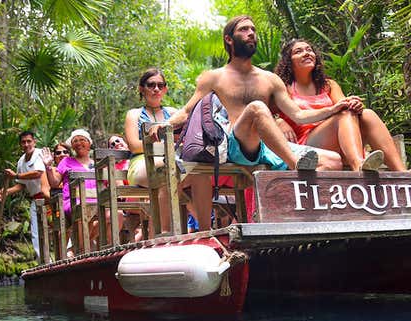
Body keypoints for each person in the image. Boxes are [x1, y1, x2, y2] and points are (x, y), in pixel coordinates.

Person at [147, 16, 343, 231]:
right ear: (229, 39)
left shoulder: (270, 79)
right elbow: (187, 110)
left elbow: (298, 114)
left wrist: (333, 109)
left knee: (333, 161)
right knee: (257, 108)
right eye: (244, 30)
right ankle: (296, 166)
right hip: (233, 145)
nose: (251, 33)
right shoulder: (214, 77)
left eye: (253, 29)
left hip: (269, 148)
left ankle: (301, 221)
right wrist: (165, 124)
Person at [273, 38, 411, 173]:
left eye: (309, 49)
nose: (307, 53)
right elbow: (264, 115)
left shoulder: (329, 85)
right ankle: (358, 165)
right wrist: (279, 121)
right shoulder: (283, 87)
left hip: (342, 140)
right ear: (289, 61)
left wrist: (354, 104)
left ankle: (403, 173)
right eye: (298, 51)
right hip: (310, 146)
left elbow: (343, 106)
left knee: (367, 114)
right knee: (344, 114)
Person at [124, 68, 190, 232]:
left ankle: (164, 234)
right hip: (141, 164)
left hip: (173, 163)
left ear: (166, 89)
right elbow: (134, 145)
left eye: (161, 85)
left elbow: (187, 139)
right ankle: (165, 233)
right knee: (168, 169)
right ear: (141, 88)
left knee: (178, 174)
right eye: (151, 85)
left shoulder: (174, 113)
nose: (156, 89)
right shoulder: (134, 114)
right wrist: (168, 142)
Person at [0, 130, 48, 259]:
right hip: (35, 199)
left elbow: (38, 173)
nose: (26, 144)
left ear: (34, 142)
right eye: (23, 142)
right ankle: (42, 260)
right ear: (20, 145)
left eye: (29, 141)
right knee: (36, 232)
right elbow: (22, 184)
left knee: (55, 228)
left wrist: (16, 175)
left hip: (49, 197)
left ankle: (65, 256)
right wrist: (6, 191)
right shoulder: (21, 162)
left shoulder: (39, 154)